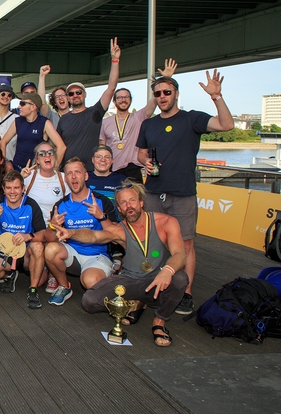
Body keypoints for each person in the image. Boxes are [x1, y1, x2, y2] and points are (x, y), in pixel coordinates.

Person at [136, 69, 233, 316]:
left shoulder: (192, 119)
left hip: (182, 193)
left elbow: (226, 124)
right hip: (153, 192)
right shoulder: (148, 124)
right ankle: (153, 284)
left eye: (167, 92)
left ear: (176, 94)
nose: (162, 96)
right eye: (157, 93)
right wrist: (144, 162)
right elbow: (140, 153)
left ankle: (185, 293)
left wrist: (217, 96)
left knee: (186, 245)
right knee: (153, 243)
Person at [58, 180, 189, 347]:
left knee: (179, 278)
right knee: (90, 301)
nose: (129, 206)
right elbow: (93, 236)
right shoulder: (119, 229)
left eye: (132, 200)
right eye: (123, 203)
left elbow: (180, 255)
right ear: (119, 209)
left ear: (141, 202)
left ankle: (159, 321)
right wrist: (70, 232)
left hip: (158, 281)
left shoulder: (166, 222)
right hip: (131, 280)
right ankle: (136, 302)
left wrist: (167, 271)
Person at [44, 158, 119, 306]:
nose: (73, 176)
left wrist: (102, 217)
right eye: (69, 173)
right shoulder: (61, 205)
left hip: (97, 255)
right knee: (50, 249)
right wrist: (52, 226)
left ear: (85, 176)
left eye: (77, 172)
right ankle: (64, 286)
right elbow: (49, 238)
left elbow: (116, 236)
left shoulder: (101, 201)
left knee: (90, 283)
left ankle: (114, 274)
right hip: (73, 254)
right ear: (65, 178)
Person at [100, 59, 176, 182]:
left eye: (126, 97)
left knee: (135, 200)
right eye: (119, 97)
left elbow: (155, 100)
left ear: (130, 100)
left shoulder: (138, 117)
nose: (123, 100)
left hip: (132, 169)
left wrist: (164, 78)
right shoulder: (105, 122)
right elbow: (101, 147)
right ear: (114, 101)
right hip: (112, 169)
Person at [0, 171, 48, 303]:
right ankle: (10, 274)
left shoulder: (31, 205)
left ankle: (33, 290)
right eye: (9, 188)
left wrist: (27, 236)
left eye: (16, 188)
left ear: (23, 188)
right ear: (4, 189)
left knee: (38, 247)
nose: (12, 192)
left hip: (26, 253)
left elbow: (44, 234)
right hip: (5, 250)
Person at [56, 38, 121, 171]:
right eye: (71, 94)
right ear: (68, 98)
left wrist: (115, 61)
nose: (75, 95)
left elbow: (111, 88)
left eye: (78, 92)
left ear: (85, 94)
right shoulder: (64, 120)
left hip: (91, 171)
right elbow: (59, 146)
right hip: (68, 171)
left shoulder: (95, 112)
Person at [0, 91, 66, 171]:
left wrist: (53, 169)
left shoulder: (45, 123)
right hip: (17, 170)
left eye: (22, 103)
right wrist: (4, 164)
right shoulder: (17, 121)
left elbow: (62, 147)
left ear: (33, 107)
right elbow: (3, 142)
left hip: (37, 171)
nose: (19, 106)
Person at [19, 141, 70, 226]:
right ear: (37, 160)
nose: (47, 155)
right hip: (32, 228)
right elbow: (11, 195)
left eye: (51, 152)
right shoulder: (29, 176)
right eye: (42, 154)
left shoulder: (64, 178)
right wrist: (21, 177)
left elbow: (71, 204)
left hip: (55, 228)